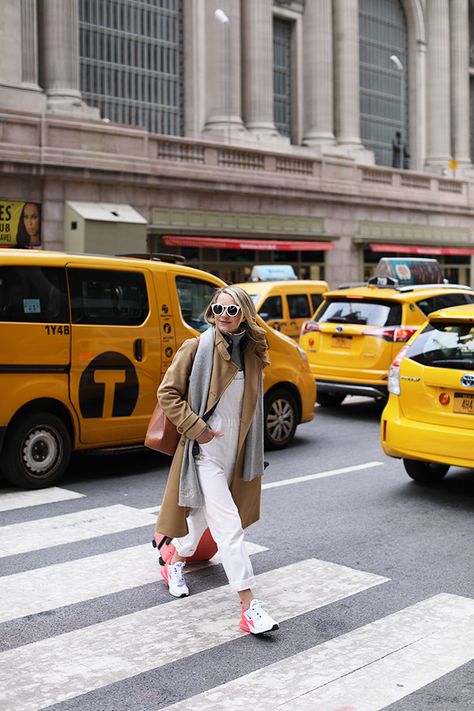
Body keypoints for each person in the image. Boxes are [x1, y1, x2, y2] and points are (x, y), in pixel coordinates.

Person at [154, 285, 279, 635]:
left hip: (236, 455)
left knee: (196, 529)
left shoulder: (254, 353)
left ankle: (174, 561)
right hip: (203, 453)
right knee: (229, 529)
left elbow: (249, 408)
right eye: (218, 309)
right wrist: (198, 429)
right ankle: (249, 606)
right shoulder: (196, 348)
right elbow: (167, 393)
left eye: (232, 311)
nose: (223, 316)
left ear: (245, 315)